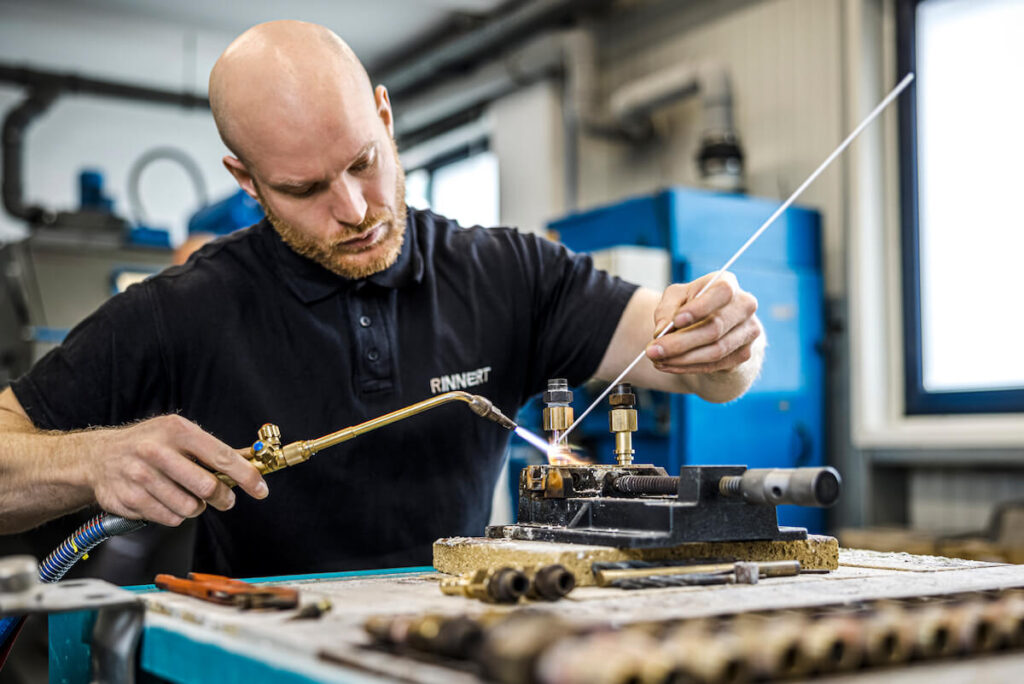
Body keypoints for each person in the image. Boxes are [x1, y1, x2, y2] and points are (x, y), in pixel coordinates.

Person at [0, 21, 764, 577]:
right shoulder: (181, 312)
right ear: (246, 180)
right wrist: (91, 459)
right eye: (303, 189)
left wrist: (727, 338)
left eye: (365, 162)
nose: (357, 209)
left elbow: (699, 367)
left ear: (387, 119)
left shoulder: (511, 272)